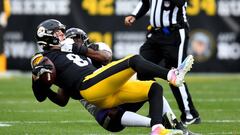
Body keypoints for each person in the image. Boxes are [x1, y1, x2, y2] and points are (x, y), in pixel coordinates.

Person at [32, 19, 193, 135]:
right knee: (134, 60)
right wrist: (39, 82)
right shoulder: (42, 57)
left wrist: (77, 49)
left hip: (104, 93)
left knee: (154, 88)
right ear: (47, 36)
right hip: (89, 85)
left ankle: (157, 129)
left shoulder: (70, 51)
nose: (62, 35)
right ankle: (172, 74)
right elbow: (42, 87)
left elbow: (104, 57)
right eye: (58, 33)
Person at [124, 0, 200, 125]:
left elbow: (180, 2)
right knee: (143, 70)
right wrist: (134, 15)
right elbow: (145, 2)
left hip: (174, 33)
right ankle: (156, 112)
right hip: (155, 34)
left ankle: (190, 114)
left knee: (176, 74)